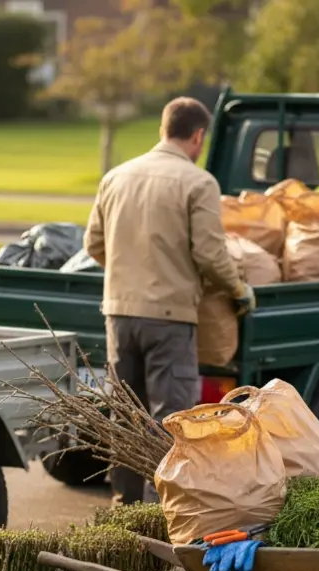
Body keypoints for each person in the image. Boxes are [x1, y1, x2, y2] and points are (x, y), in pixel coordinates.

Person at [83, 97, 257, 505]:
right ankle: (167, 513)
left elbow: (93, 244)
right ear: (198, 136)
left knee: (126, 415)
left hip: (119, 314)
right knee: (171, 419)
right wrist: (239, 291)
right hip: (170, 318)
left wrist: (131, 277)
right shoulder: (198, 182)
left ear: (164, 128)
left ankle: (124, 510)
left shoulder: (116, 176)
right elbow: (212, 256)